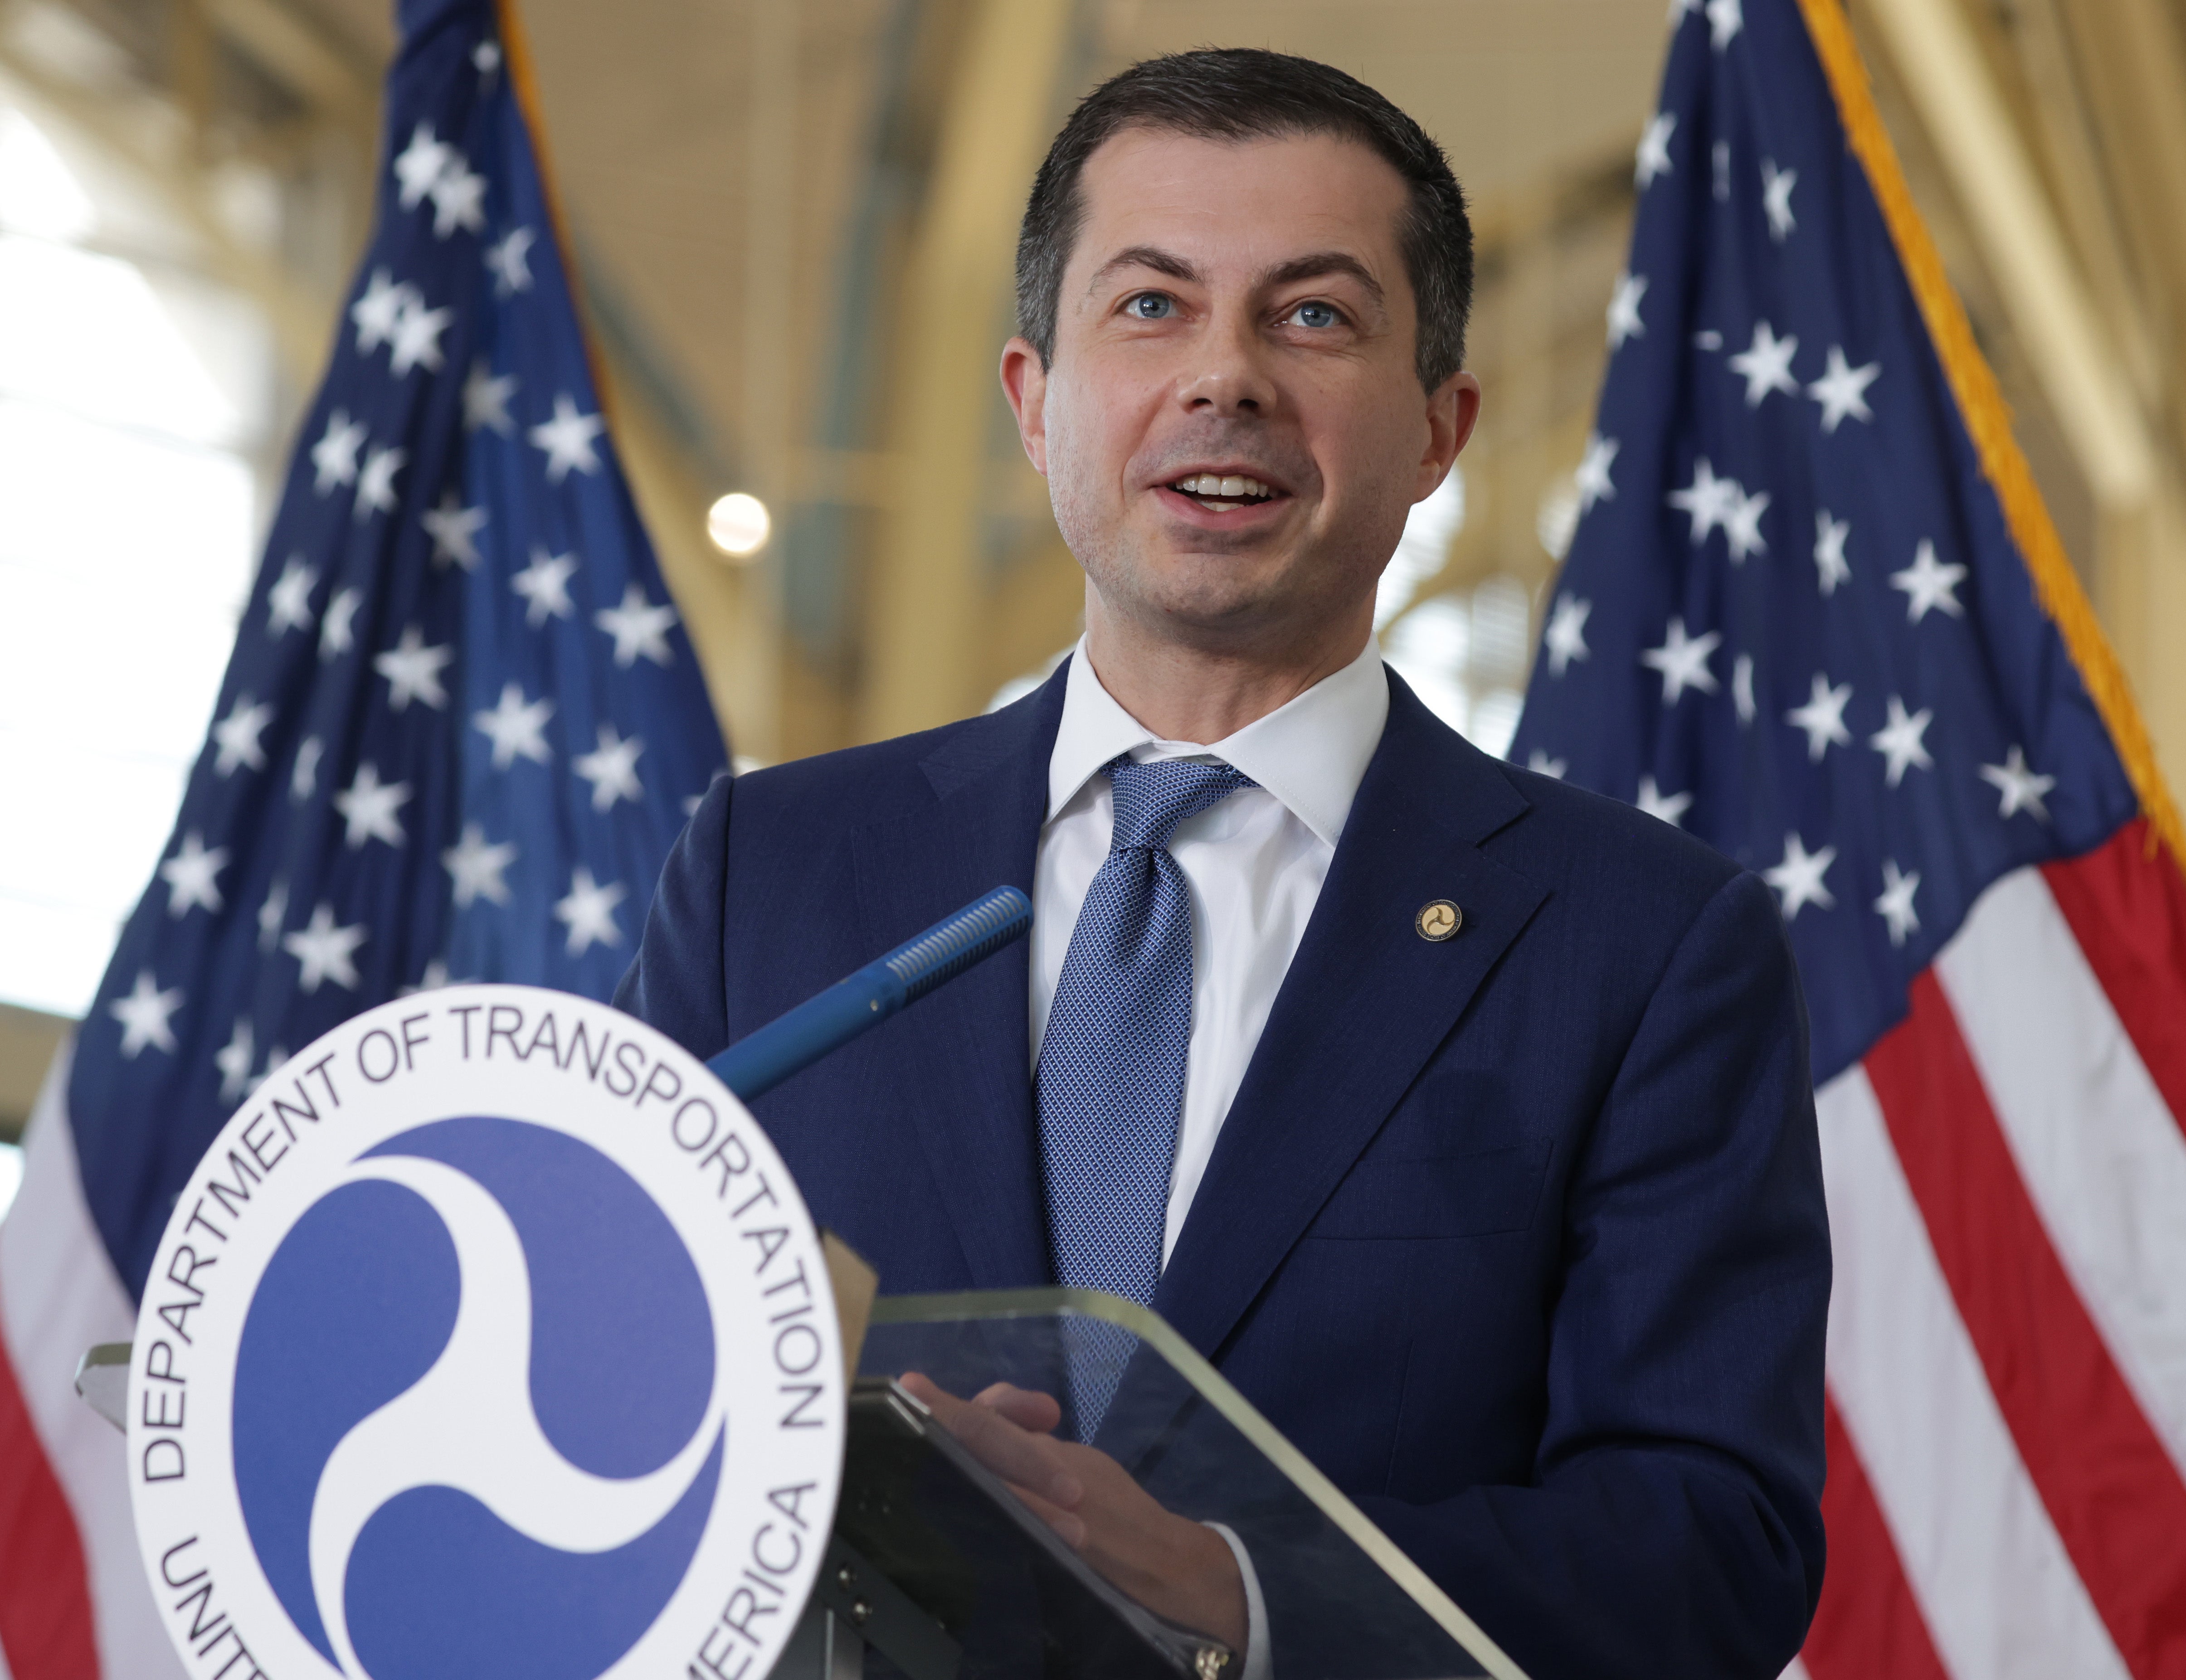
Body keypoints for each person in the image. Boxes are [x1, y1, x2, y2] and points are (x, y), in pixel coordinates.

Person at [619, 47, 1827, 1679]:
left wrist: (1238, 1588)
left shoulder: (1646, 946)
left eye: (1314, 316)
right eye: (1152, 306)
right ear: (1035, 398)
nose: (1227, 378)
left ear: (1437, 427)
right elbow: (613, 1374)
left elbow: (1711, 1548)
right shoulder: (775, 871)